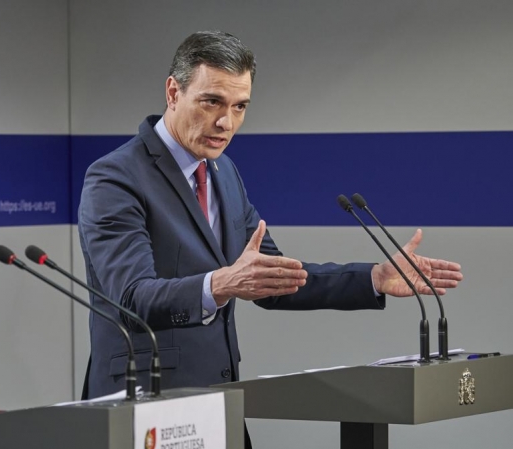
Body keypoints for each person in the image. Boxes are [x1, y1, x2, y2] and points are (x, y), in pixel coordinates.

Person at [78, 31, 463, 398]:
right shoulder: (115, 177)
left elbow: (274, 276)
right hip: (144, 399)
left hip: (219, 396)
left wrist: (374, 277)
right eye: (212, 101)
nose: (226, 122)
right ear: (174, 92)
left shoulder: (223, 171)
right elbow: (131, 299)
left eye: (239, 106)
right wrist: (221, 284)